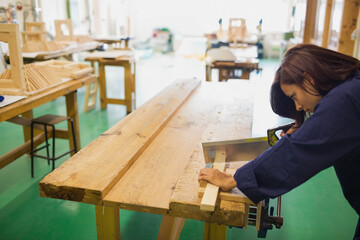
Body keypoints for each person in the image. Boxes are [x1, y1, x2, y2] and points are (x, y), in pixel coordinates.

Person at [198, 44, 360, 239]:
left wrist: (235, 179)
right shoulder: (352, 85)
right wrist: (308, 128)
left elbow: (298, 153)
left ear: (309, 79)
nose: (298, 107)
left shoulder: (344, 100)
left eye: (294, 96)